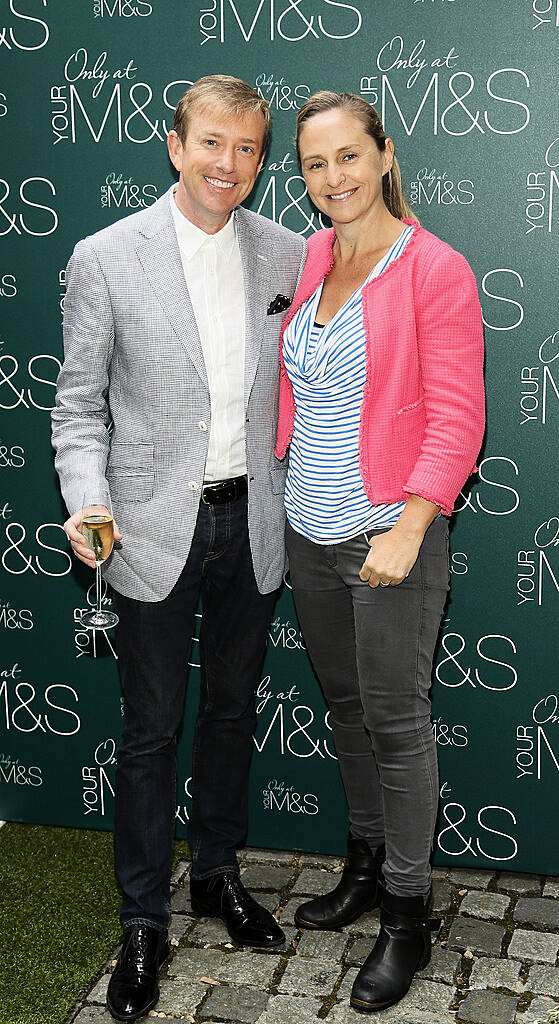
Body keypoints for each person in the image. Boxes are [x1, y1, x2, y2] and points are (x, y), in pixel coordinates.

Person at [52, 75, 306, 1022]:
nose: (227, 166)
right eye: (211, 144)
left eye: (246, 149)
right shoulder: (106, 257)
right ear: (174, 144)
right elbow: (77, 409)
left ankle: (219, 876)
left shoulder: (289, 250)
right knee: (151, 732)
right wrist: (88, 500)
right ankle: (142, 919)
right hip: (152, 527)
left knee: (233, 715)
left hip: (258, 523)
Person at [275, 91, 485, 1014]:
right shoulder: (315, 251)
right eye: (316, 165)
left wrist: (405, 528)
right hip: (307, 528)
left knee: (396, 723)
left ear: (385, 154)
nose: (334, 179)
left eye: (349, 158)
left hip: (386, 532)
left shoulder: (433, 268)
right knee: (347, 706)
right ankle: (364, 861)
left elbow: (457, 417)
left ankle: (407, 913)